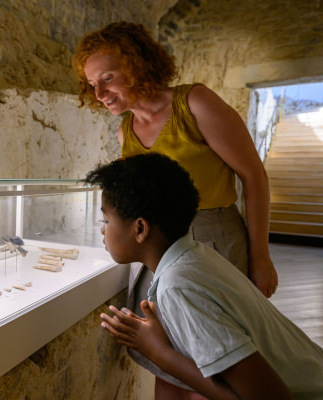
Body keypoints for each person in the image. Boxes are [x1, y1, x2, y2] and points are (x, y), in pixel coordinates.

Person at [73, 22, 278, 397]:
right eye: (91, 84)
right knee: (165, 359)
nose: (99, 92)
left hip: (215, 238)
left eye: (107, 78)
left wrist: (260, 255)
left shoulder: (194, 103)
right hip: (159, 249)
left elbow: (253, 175)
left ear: (137, 65)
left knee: (213, 359)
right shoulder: (127, 131)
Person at [85, 153, 323, 400]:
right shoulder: (196, 257)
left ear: (140, 229)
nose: (102, 229)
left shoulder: (178, 286)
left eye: (106, 220)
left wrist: (159, 352)